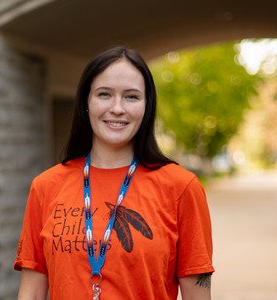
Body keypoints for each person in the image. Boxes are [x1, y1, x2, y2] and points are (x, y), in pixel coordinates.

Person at [14, 47, 214, 300]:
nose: (117, 108)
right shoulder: (45, 186)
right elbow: (30, 294)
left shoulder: (182, 188)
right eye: (104, 94)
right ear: (86, 102)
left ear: (146, 106)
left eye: (131, 97)